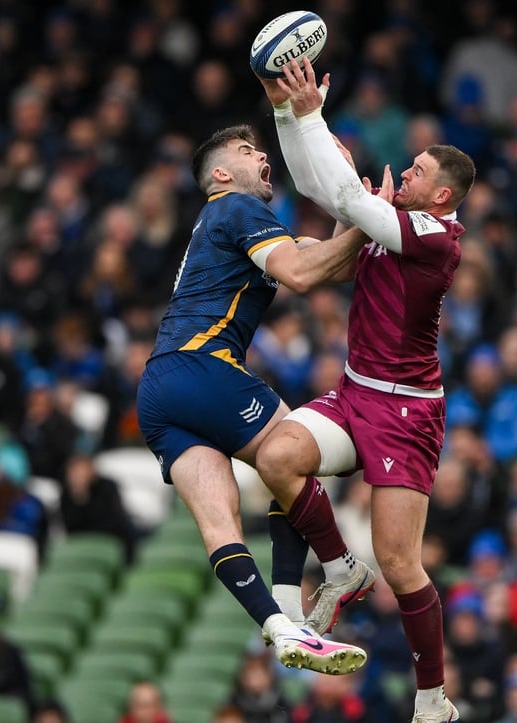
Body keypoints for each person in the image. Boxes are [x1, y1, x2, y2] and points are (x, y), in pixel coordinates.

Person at [254, 57, 476, 723]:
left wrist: (316, 118)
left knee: (402, 563)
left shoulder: (435, 236)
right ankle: (340, 566)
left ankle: (433, 698)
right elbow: (321, 184)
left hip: (407, 412)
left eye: (416, 174)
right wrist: (291, 113)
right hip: (357, 393)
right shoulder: (397, 214)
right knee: (276, 456)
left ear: (441, 196)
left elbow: (349, 201)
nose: (403, 174)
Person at [136, 123, 371, 675]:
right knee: (291, 455)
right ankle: (337, 569)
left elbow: (333, 262)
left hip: (158, 389)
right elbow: (303, 274)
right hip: (204, 367)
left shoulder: (229, 223)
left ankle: (280, 625)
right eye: (246, 151)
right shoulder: (235, 207)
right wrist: (362, 208)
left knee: (221, 527)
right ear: (222, 174)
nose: (261, 154)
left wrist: (348, 199)